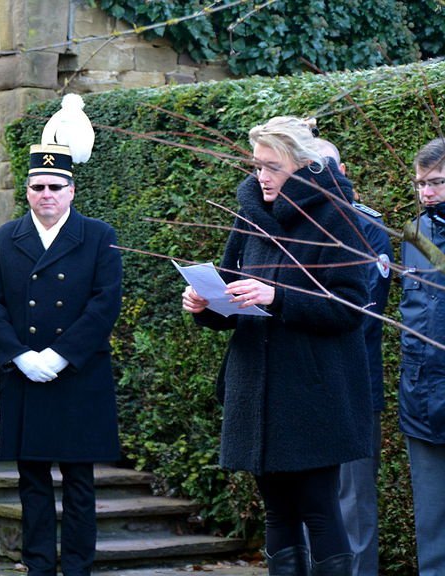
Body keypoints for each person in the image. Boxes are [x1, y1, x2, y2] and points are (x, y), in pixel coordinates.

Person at [181, 116, 371, 576]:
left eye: (271, 167)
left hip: (313, 389)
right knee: (277, 511)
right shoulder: (250, 213)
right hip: (256, 387)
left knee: (318, 506)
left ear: (302, 166)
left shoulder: (337, 216)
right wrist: (206, 302)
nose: (260, 176)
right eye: (256, 165)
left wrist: (278, 296)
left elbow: (351, 306)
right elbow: (230, 287)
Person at [0, 137, 123, 575]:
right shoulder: (7, 238)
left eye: (55, 186)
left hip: (79, 374)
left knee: (80, 481)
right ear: (27, 191)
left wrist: (60, 355)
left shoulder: (99, 235)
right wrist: (19, 356)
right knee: (33, 479)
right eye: (38, 186)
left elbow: (105, 302)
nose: (46, 195)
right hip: (25, 374)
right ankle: (38, 564)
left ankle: (78, 567)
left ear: (71, 190)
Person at [313, 137, 391, 576]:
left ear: (340, 173)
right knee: (306, 498)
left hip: (352, 384)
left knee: (353, 502)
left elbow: (361, 313)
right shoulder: (289, 226)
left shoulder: (367, 229)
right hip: (302, 382)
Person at [399, 137, 445, 576]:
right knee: (431, 529)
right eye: (420, 184)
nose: (426, 192)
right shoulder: (414, 234)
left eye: (437, 183)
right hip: (422, 402)